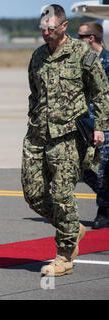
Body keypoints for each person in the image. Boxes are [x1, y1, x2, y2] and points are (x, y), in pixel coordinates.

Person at [21, 5, 109, 277]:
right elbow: (34, 93)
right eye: (42, 29)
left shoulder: (82, 53)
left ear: (64, 26)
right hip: (37, 134)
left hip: (68, 136)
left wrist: (100, 128)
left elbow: (101, 92)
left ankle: (64, 256)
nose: (46, 33)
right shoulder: (37, 56)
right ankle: (72, 226)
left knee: (61, 195)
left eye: (51, 28)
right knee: (33, 194)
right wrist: (33, 119)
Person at [77, 22, 109, 229]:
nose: (76, 40)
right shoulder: (84, 62)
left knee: (104, 168)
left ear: (91, 38)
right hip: (85, 122)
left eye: (80, 36)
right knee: (83, 168)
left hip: (104, 123)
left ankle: (104, 210)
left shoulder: (107, 61)